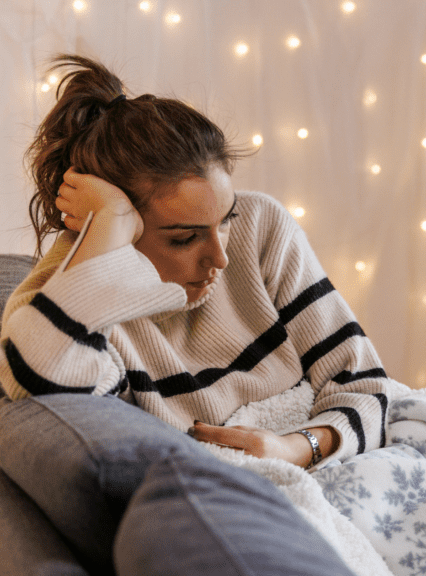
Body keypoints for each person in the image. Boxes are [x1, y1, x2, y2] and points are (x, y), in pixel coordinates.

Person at [0, 54, 392, 574]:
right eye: (183, 237)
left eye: (224, 221)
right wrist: (108, 236)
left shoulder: (261, 226)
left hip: (326, 458)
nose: (220, 258)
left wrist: (297, 447)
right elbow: (38, 380)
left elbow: (363, 381)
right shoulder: (79, 292)